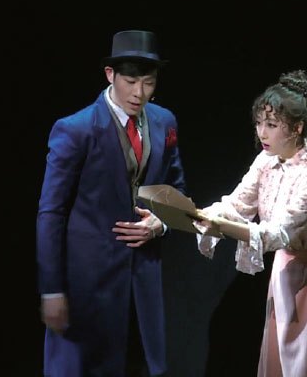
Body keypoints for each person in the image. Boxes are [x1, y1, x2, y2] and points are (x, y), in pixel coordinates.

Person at [194, 70, 307, 376]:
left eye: (272, 125)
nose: (262, 133)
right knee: (281, 359)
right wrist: (196, 215)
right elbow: (237, 203)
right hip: (284, 270)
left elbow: (277, 233)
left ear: (297, 127)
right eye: (259, 123)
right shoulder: (265, 161)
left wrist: (220, 226)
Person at [36, 30, 186, 377]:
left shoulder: (164, 121)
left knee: (140, 366)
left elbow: (175, 189)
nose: (139, 93)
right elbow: (51, 212)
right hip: (86, 283)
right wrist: (52, 289)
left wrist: (161, 223)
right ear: (110, 75)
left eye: (148, 82)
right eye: (131, 81)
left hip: (142, 281)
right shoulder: (76, 129)